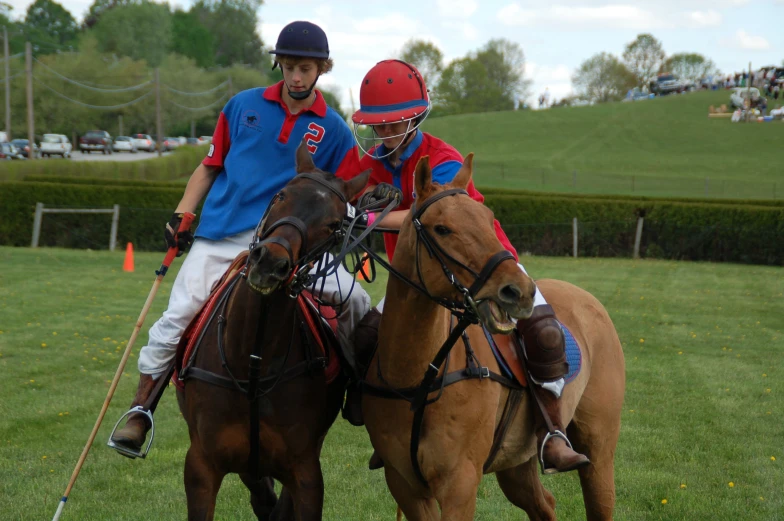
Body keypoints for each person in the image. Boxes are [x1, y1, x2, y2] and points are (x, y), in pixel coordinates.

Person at [109, 21, 371, 458]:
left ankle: (358, 385)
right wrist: (183, 211)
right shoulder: (242, 106)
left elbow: (347, 192)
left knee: (356, 300)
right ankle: (141, 409)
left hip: (292, 244)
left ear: (322, 68)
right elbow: (210, 166)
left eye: (305, 68)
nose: (295, 77)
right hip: (225, 232)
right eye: (288, 67)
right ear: (279, 65)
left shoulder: (335, 130)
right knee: (177, 315)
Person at [350, 60, 590, 474]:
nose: (383, 133)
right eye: (377, 125)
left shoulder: (441, 158)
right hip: (418, 282)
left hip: (487, 265)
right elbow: (344, 197)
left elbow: (431, 211)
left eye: (392, 124)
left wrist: (366, 218)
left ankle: (551, 432)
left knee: (544, 331)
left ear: (415, 119)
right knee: (367, 335)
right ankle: (387, 428)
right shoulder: (370, 166)